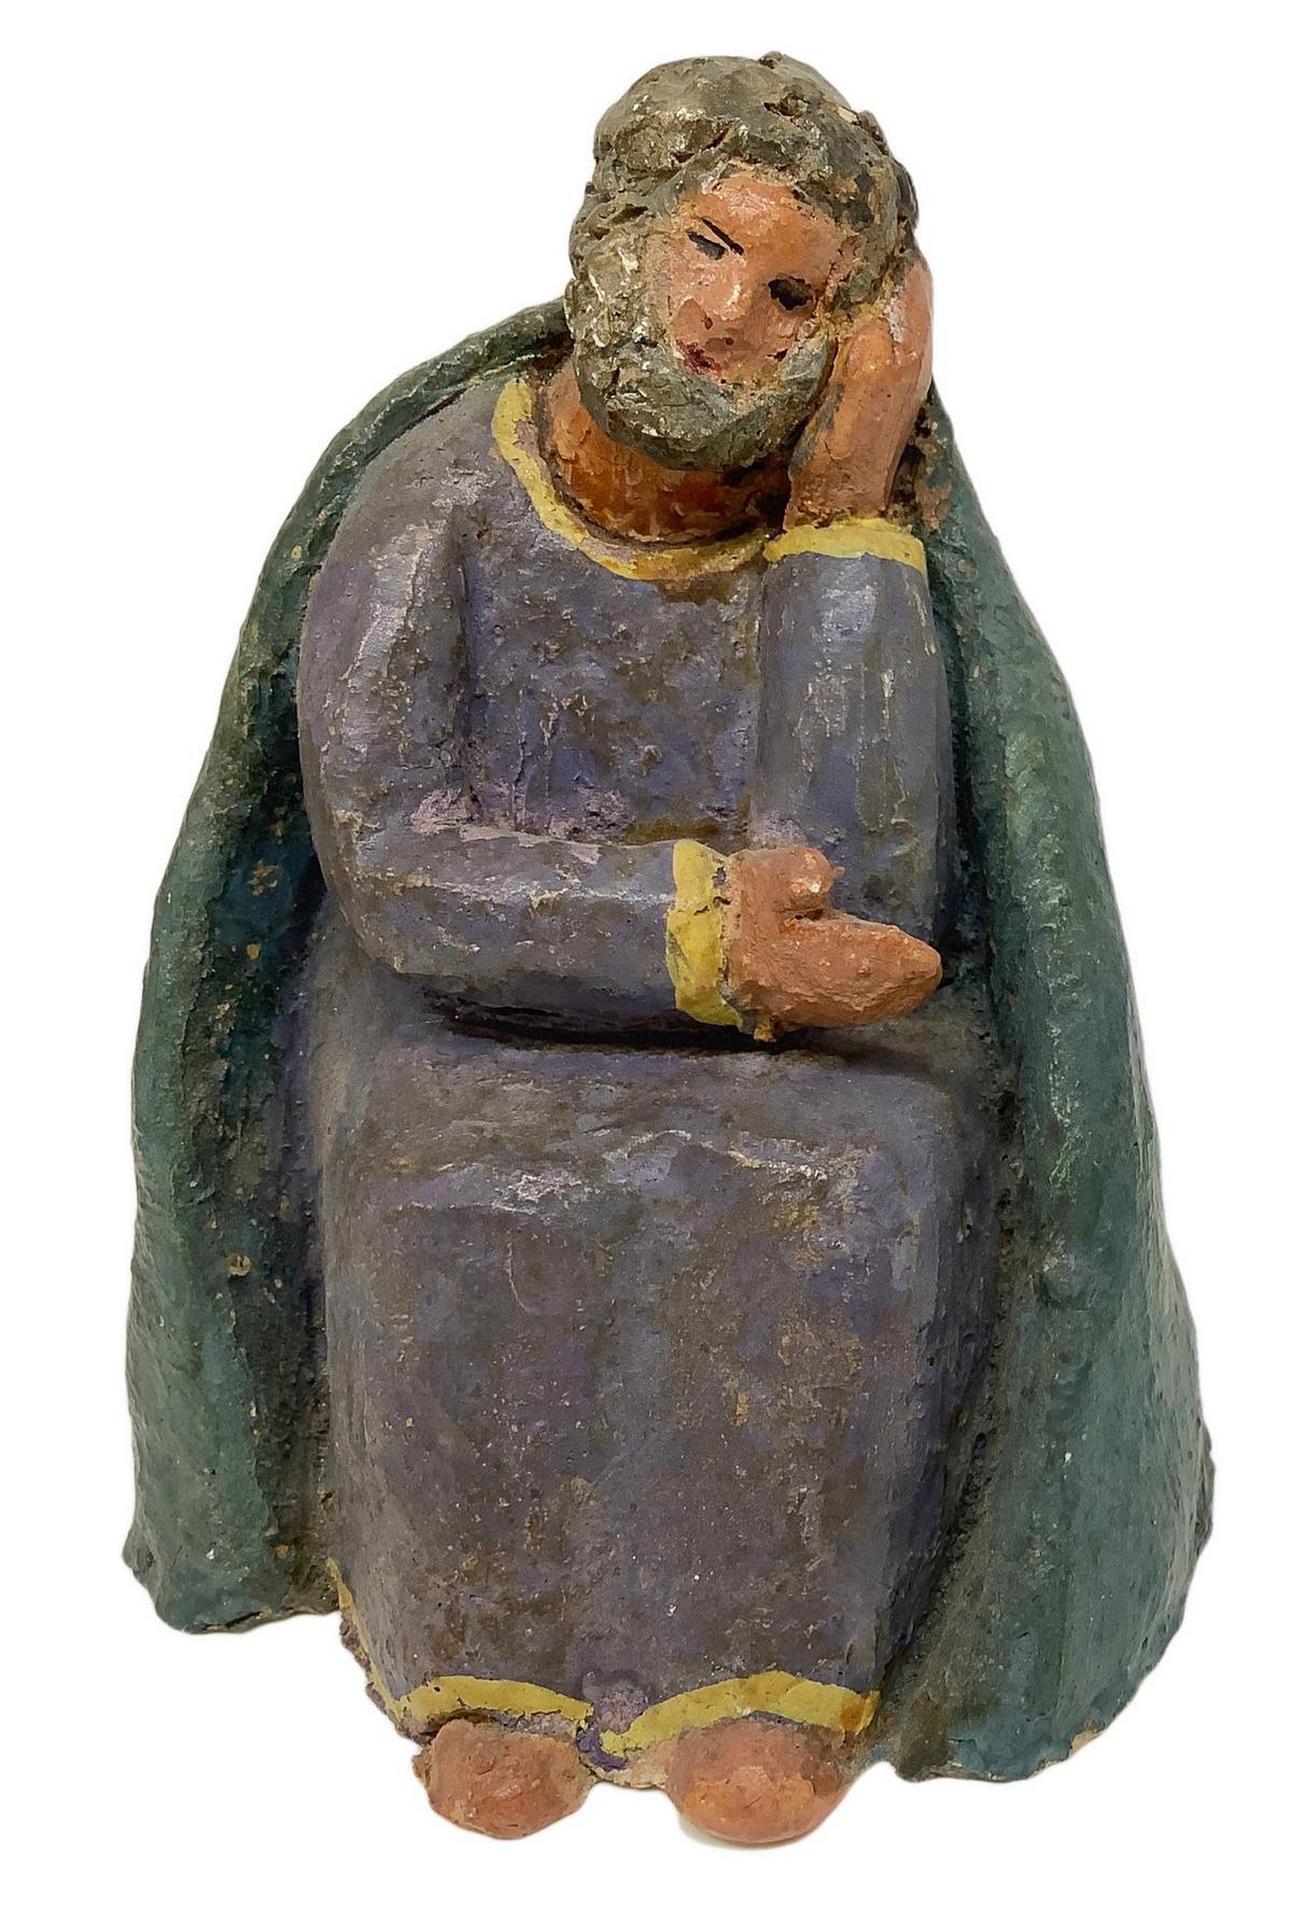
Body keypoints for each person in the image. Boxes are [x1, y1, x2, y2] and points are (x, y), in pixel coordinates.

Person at [127, 55, 1210, 1846]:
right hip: (474, 1004)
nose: (726, 320)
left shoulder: (837, 532)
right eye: (704, 248)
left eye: (794, 297)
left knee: (860, 1174)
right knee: (443, 1166)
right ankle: (490, 1664)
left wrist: (845, 506)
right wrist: (697, 935)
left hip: (804, 1043)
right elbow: (390, 862)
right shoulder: (439, 506)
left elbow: (869, 876)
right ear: (612, 237)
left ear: (850, 344)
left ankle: (768, 1676)